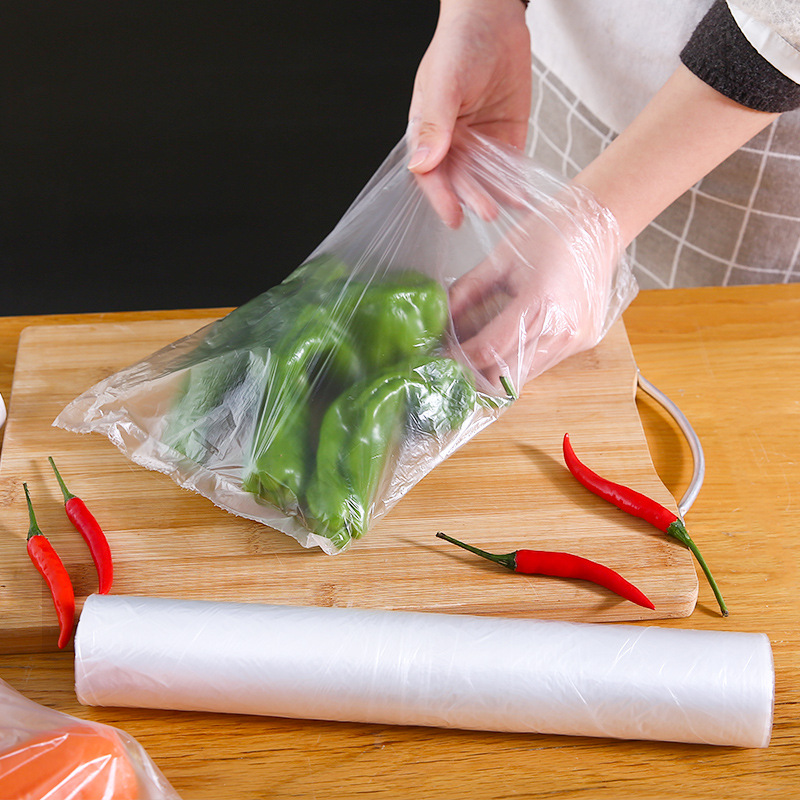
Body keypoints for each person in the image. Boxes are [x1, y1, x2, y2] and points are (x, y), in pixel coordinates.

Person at [405, 0, 800, 385]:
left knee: (694, 371)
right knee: (526, 314)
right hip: (556, 57)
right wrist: (481, 9)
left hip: (730, 131)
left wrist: (593, 221)